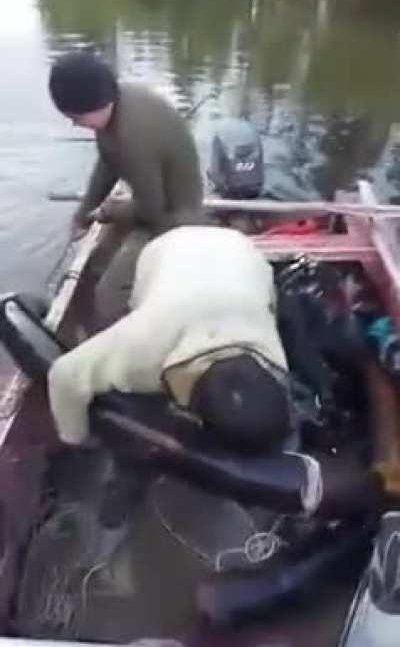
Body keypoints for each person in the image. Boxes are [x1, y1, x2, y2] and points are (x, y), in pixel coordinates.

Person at [48, 225, 291, 453]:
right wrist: (78, 440)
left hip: (241, 250)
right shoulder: (142, 346)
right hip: (168, 248)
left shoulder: (272, 352)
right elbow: (63, 373)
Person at [49, 51, 203, 329]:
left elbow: (151, 210)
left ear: (94, 104)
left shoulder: (134, 136)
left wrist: (108, 212)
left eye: (76, 117)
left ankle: (124, 342)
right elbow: (107, 164)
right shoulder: (114, 104)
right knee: (96, 265)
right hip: (150, 202)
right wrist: (83, 214)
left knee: (108, 296)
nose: (74, 124)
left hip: (174, 219)